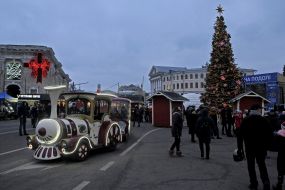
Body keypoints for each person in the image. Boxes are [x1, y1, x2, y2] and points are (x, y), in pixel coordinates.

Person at [240, 104, 272, 190]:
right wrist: (267, 146)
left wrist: (240, 148)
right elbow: (269, 134)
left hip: (249, 147)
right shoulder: (264, 120)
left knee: (251, 166)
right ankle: (266, 183)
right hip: (261, 147)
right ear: (257, 110)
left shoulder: (246, 120)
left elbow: (240, 135)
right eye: (259, 109)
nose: (260, 110)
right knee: (262, 165)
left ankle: (254, 183)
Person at [272, 121, 285, 190]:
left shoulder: (279, 134)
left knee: (280, 170)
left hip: (281, 154)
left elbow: (275, 144)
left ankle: (279, 185)